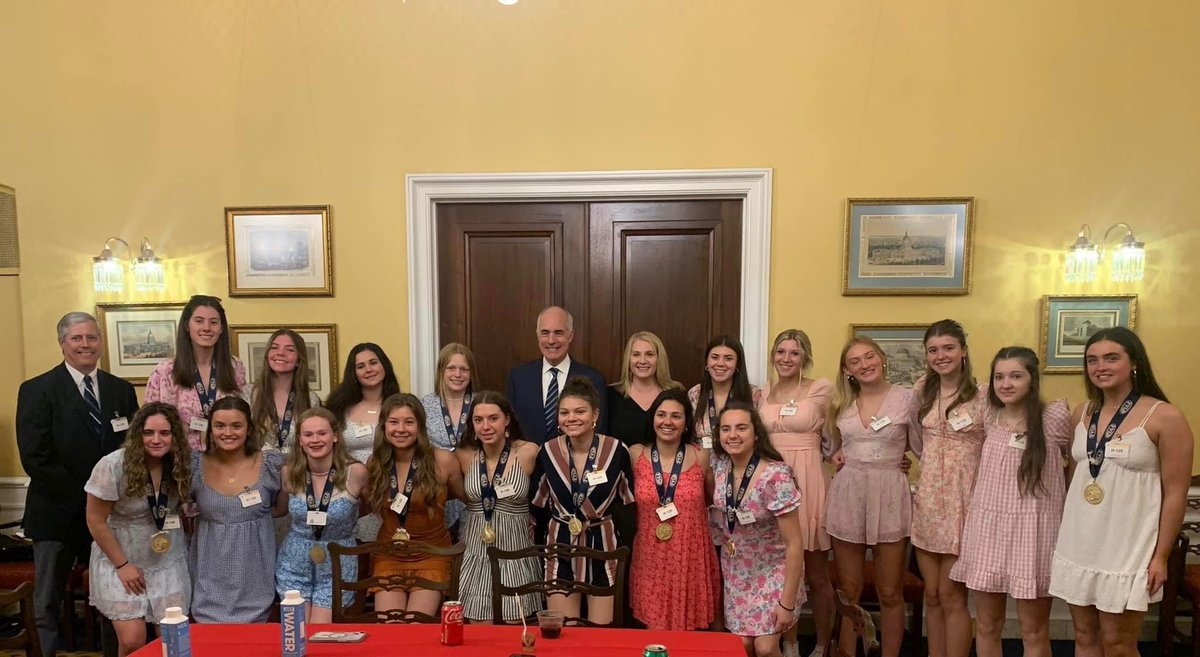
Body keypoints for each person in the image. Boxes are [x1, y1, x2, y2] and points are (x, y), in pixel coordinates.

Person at [1049, 328, 1194, 656]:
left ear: (1134, 363)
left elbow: (1175, 494)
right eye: (1092, 360)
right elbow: (1076, 479)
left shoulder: (1165, 417)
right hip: (1081, 541)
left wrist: (1160, 556)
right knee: (1084, 637)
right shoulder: (1082, 413)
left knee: (1118, 644)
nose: (1101, 366)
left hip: (1129, 546)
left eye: (1111, 357)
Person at [17, 311, 139, 656]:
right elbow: (35, 458)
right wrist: (87, 501)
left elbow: (130, 452)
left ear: (100, 343)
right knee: (47, 602)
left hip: (109, 518)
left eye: (91, 338)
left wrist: (104, 506)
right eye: (77, 338)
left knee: (112, 597)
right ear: (62, 344)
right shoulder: (37, 390)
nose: (85, 344)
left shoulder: (121, 391)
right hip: (56, 514)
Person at [949, 347, 1070, 657]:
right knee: (988, 626)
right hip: (988, 532)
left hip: (1033, 534)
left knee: (1033, 631)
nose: (1006, 384)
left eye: (1016, 376)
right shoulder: (990, 415)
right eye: (999, 377)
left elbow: (1075, 466)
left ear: (1033, 379)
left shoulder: (1053, 417)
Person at [823, 337, 921, 657]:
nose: (864, 364)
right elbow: (832, 447)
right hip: (849, 494)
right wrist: (837, 455)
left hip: (890, 494)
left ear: (882, 359)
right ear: (847, 370)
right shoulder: (841, 403)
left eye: (869, 357)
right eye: (855, 361)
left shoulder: (907, 399)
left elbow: (921, 445)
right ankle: (849, 653)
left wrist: (898, 461)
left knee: (889, 591)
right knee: (848, 591)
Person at [84, 403, 191, 657]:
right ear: (137, 434)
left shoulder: (181, 464)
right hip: (120, 559)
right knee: (133, 641)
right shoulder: (112, 466)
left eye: (165, 433)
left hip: (166, 559)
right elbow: (95, 520)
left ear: (175, 436)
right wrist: (122, 566)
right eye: (148, 433)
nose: (156, 440)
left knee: (172, 640)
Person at [910, 320, 987, 657]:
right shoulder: (921, 390)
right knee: (932, 594)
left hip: (964, 501)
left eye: (948, 348)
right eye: (933, 350)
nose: (941, 356)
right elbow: (914, 442)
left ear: (963, 351)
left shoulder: (984, 395)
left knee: (953, 595)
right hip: (928, 500)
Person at [756, 329, 835, 656]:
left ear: (805, 357)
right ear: (773, 356)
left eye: (794, 353)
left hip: (807, 478)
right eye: (781, 352)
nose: (786, 359)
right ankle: (787, 643)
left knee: (815, 573)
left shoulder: (820, 389)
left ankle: (820, 643)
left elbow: (834, 436)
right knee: (779, 568)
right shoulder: (761, 393)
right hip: (771, 479)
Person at [532, 377, 634, 625]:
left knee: (599, 636)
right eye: (564, 412)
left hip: (602, 546)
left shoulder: (617, 451)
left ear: (595, 414)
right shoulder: (547, 452)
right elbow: (538, 504)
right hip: (560, 546)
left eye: (580, 411)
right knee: (564, 632)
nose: (572, 418)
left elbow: (627, 503)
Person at [710, 402, 805, 657]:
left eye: (741, 428)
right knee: (741, 646)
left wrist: (786, 603)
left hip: (775, 569)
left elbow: (795, 544)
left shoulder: (776, 475)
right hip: (737, 569)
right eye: (726, 429)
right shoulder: (720, 467)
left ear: (756, 433)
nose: (733, 435)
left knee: (765, 647)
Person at [628, 388, 719, 631]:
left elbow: (712, 499)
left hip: (690, 554)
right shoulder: (635, 454)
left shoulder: (702, 456)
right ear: (653, 419)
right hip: (650, 554)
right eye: (661, 415)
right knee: (654, 630)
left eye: (676, 416)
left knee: (689, 634)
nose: (668, 422)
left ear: (686, 423)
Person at [188, 396, 285, 623]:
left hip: (255, 574)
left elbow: (281, 509)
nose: (227, 433)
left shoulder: (272, 463)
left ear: (249, 429)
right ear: (210, 429)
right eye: (219, 425)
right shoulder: (193, 465)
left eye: (236, 426)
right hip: (209, 575)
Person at [366, 393, 464, 617]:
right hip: (389, 555)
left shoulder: (443, 461)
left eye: (409, 422)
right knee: (390, 627)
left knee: (415, 624)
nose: (401, 429)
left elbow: (468, 498)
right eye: (394, 422)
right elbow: (364, 501)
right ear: (383, 426)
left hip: (432, 556)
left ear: (420, 425)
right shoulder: (375, 463)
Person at [454, 391, 544, 622]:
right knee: (478, 630)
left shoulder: (528, 452)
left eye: (493, 418)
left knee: (514, 625)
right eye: (478, 420)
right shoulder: (463, 456)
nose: (486, 426)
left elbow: (544, 495)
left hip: (515, 551)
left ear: (507, 420)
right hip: (476, 552)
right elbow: (458, 494)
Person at [275, 408, 368, 624]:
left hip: (337, 561)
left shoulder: (356, 473)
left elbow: (369, 508)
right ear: (299, 440)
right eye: (308, 435)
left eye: (322, 433)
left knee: (319, 632)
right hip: (294, 562)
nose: (315, 440)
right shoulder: (289, 472)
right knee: (295, 631)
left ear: (335, 436)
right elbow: (279, 509)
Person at [145, 295, 247, 451]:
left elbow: (242, 414)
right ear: (187, 326)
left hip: (225, 459)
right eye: (199, 321)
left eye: (213, 322)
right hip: (180, 462)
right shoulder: (164, 371)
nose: (207, 328)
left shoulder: (235, 366)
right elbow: (150, 424)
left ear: (221, 328)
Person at [325, 342, 401, 541]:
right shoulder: (338, 407)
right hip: (350, 493)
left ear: (384, 365)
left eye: (373, 363)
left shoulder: (400, 405)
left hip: (390, 490)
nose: (369, 370)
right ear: (354, 373)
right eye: (361, 366)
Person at [505, 306, 607, 445]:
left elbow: (599, 430)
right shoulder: (518, 378)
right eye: (545, 333)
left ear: (570, 336)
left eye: (558, 333)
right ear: (537, 335)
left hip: (575, 463)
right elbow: (509, 428)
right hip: (527, 463)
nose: (551, 340)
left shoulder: (594, 379)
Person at [420, 343, 476, 534]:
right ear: (441, 371)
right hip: (436, 494)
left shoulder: (482, 404)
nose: (457, 374)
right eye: (451, 368)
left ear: (471, 373)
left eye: (464, 369)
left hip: (474, 494)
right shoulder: (423, 406)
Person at [249, 328, 322, 454]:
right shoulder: (249, 394)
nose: (280, 353)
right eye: (275, 347)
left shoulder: (311, 399)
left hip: (297, 469)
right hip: (257, 469)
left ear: (299, 360)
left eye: (289, 349)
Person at [606, 331, 682, 446]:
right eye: (636, 354)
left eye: (649, 354)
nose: (642, 360)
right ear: (628, 359)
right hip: (622, 463)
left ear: (659, 359)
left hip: (666, 463)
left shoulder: (675, 394)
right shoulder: (610, 395)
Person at [688, 335, 762, 450]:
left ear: (738, 363)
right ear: (707, 361)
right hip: (702, 462)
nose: (720, 363)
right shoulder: (695, 394)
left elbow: (759, 437)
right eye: (715, 357)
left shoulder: (753, 394)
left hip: (739, 463)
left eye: (728, 358)